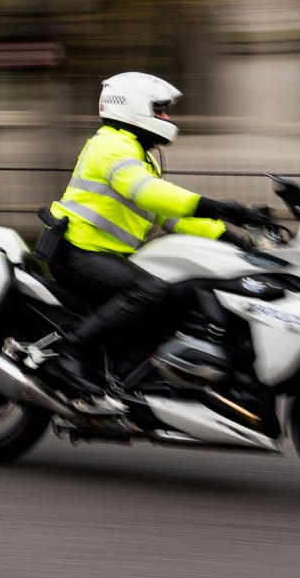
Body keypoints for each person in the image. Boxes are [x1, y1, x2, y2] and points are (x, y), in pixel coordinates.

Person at [34, 71, 273, 398]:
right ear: (133, 107)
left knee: (182, 292)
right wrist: (218, 206)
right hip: (76, 253)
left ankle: (135, 372)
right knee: (150, 290)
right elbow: (147, 193)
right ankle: (70, 355)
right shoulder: (110, 144)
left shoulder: (135, 153)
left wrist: (233, 241)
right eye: (159, 110)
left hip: (101, 254)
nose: (167, 117)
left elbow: (170, 217)